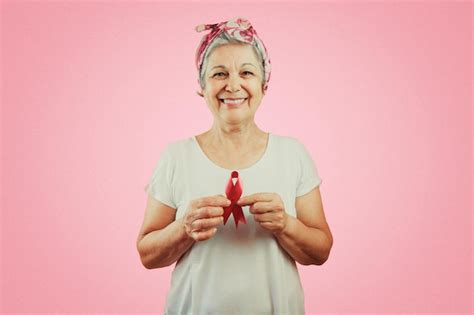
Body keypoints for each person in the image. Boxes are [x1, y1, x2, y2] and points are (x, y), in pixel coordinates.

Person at [136, 17, 333, 315]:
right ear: (202, 87)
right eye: (219, 73)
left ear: (263, 84)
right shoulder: (175, 157)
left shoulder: (293, 154)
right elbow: (147, 255)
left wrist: (286, 225)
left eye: (246, 72)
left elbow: (320, 251)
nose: (233, 85)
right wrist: (183, 228)